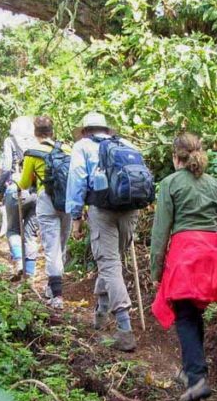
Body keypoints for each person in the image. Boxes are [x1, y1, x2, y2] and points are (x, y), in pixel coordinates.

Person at [150, 134, 217, 401]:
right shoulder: (215, 184)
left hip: (186, 254)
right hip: (213, 254)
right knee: (193, 311)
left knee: (185, 314)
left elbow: (160, 231)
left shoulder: (170, 184)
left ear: (176, 157)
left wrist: (156, 270)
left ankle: (197, 378)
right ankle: (193, 371)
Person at [65, 112, 152, 352]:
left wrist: (76, 217)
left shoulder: (82, 146)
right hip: (130, 210)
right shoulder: (126, 144)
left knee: (110, 265)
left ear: (85, 130)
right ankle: (101, 314)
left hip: (102, 210)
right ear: (106, 129)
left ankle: (124, 330)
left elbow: (77, 180)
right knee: (112, 263)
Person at [18, 115, 72, 310]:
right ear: (52, 131)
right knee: (62, 245)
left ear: (35, 133)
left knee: (51, 247)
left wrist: (16, 181)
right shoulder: (67, 149)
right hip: (67, 201)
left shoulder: (32, 153)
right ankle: (52, 287)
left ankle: (57, 296)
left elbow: (24, 183)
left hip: (46, 200)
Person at [0, 116, 40, 276]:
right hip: (36, 191)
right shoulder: (37, 142)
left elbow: (6, 168)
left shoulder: (10, 141)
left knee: (13, 230)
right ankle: (30, 273)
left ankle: (18, 262)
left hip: (16, 189)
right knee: (30, 234)